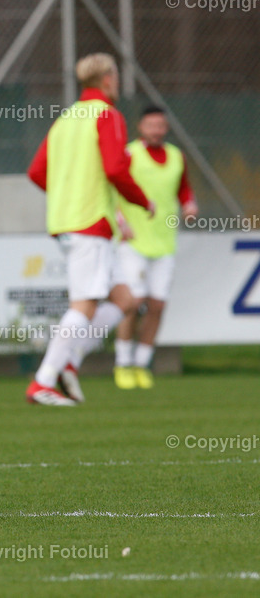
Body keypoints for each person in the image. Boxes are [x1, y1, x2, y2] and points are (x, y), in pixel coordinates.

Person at [25, 53, 155, 406]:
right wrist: (143, 201)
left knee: (125, 301)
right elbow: (115, 168)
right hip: (89, 224)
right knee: (83, 305)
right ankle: (43, 381)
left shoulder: (66, 119)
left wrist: (71, 195)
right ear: (108, 79)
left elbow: (37, 172)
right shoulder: (108, 115)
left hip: (70, 221)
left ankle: (70, 361)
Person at [112, 105, 197, 389]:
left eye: (160, 125)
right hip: (133, 240)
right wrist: (121, 221)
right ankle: (123, 363)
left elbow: (183, 188)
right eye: (151, 125)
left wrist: (188, 204)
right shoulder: (129, 154)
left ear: (166, 128)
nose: (156, 130)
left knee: (158, 305)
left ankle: (141, 363)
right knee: (133, 302)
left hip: (164, 241)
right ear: (141, 127)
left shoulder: (176, 156)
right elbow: (113, 190)